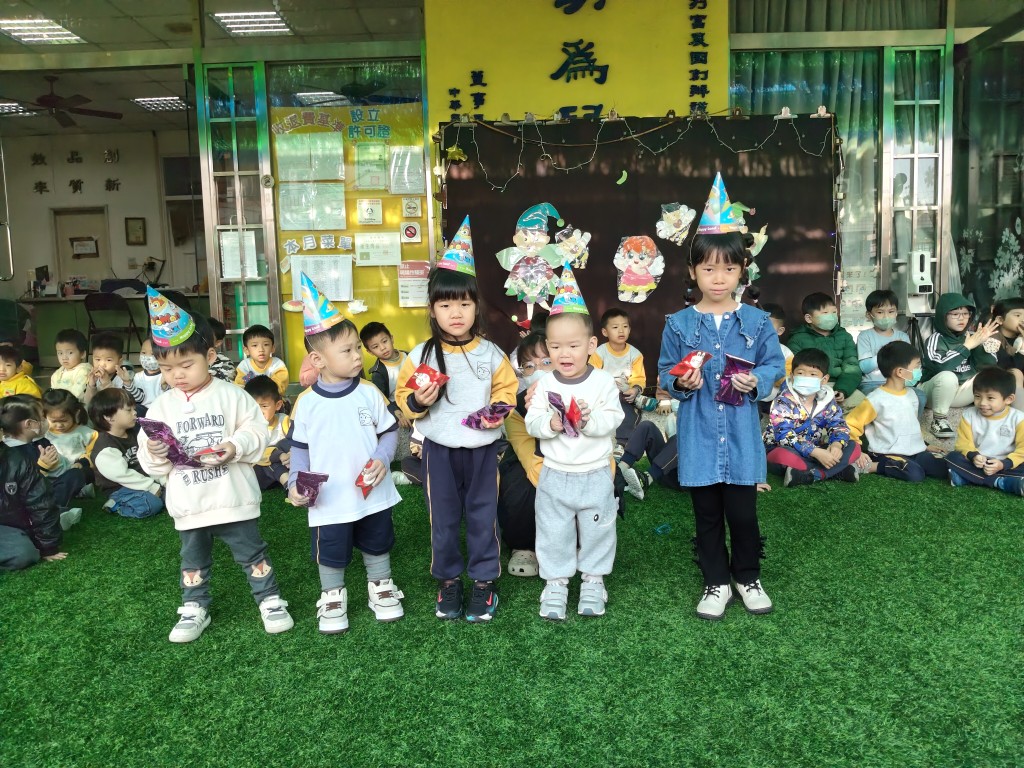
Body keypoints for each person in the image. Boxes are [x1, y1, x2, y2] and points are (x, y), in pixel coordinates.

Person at [657, 172, 785, 620]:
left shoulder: (756, 321)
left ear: (741, 271)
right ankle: (716, 582)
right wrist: (681, 383)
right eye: (708, 269)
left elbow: (774, 365)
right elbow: (665, 372)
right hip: (698, 435)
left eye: (728, 269)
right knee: (707, 514)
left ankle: (747, 576)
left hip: (742, 435)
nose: (718, 278)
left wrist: (757, 381)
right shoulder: (677, 324)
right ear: (693, 270)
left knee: (743, 514)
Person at [137, 288, 293, 643]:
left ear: (209, 355)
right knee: (192, 559)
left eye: (186, 365)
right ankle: (194, 606)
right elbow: (151, 463)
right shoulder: (160, 407)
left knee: (252, 552)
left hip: (232, 496)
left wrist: (234, 446)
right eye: (167, 368)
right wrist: (156, 451)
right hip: (190, 502)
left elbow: (257, 432)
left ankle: (269, 600)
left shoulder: (232, 395)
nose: (177, 375)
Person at [395, 218, 517, 622]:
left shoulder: (491, 353)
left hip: (483, 452)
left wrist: (496, 412)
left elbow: (507, 392)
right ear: (432, 310)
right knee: (444, 520)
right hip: (439, 451)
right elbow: (404, 400)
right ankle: (448, 581)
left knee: (484, 517)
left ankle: (483, 582)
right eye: (445, 305)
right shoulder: (420, 355)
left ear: (475, 305)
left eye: (464, 303)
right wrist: (418, 400)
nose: (456, 312)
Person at [287, 274, 405, 634]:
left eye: (357, 348)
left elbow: (389, 431)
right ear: (318, 359)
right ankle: (332, 595)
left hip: (372, 490)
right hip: (329, 497)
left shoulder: (369, 392)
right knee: (331, 546)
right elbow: (300, 449)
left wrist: (383, 458)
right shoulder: (306, 403)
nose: (358, 355)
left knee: (377, 538)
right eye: (347, 350)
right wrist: (295, 482)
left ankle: (381, 586)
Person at [526, 267, 624, 620]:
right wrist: (551, 424)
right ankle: (555, 582)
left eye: (573, 345)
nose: (564, 353)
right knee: (553, 531)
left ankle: (594, 580)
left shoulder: (602, 382)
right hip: (555, 473)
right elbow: (532, 422)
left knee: (598, 530)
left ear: (591, 345)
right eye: (555, 346)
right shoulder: (544, 383)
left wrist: (587, 421)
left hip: (595, 472)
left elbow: (614, 418)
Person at [846, 340, 947, 482]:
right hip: (887, 453)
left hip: (915, 452)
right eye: (916, 366)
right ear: (900, 372)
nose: (919, 370)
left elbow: (907, 427)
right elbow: (850, 425)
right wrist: (856, 451)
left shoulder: (912, 394)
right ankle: (871, 466)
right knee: (914, 474)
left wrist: (925, 445)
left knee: (942, 467)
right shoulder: (876, 399)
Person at [764, 348, 862, 486]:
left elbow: (838, 425)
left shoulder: (827, 400)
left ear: (824, 379)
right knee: (783, 455)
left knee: (854, 446)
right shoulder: (783, 400)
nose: (806, 377)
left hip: (816, 450)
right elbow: (783, 435)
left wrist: (836, 445)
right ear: (792, 375)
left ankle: (810, 474)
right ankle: (835, 471)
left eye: (812, 374)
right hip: (784, 448)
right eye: (800, 373)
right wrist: (814, 452)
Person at [921, 293, 1000, 438]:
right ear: (943, 316)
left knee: (990, 377)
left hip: (960, 392)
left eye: (965, 313)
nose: (961, 318)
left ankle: (996, 417)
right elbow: (940, 366)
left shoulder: (972, 336)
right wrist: (966, 347)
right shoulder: (936, 339)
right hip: (935, 393)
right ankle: (939, 420)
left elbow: (987, 368)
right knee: (948, 377)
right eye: (955, 314)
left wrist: (983, 346)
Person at [0, 395, 84, 529]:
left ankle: (59, 509)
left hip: (46, 488)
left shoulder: (38, 442)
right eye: (41, 417)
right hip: (26, 504)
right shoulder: (11, 453)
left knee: (75, 474)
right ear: (29, 424)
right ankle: (57, 514)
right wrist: (42, 467)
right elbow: (19, 489)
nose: (45, 421)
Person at [945, 366, 1024, 495]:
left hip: (1006, 463)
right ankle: (1001, 482)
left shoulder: (1019, 418)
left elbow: (1022, 450)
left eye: (990, 398)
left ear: (1008, 399)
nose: (982, 402)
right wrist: (974, 456)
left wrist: (1004, 464)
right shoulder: (969, 415)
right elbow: (963, 443)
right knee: (952, 457)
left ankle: (967, 477)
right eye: (977, 396)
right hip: (979, 463)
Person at [89, 388, 164, 519]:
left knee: (171, 495)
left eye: (134, 409)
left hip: (143, 480)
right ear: (109, 417)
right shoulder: (105, 448)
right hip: (121, 488)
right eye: (129, 410)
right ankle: (116, 504)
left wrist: (160, 480)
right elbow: (122, 475)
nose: (135, 413)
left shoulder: (135, 433)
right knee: (153, 504)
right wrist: (151, 486)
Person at [787, 292, 863, 409]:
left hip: (839, 384)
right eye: (825, 313)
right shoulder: (797, 340)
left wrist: (842, 389)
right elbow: (794, 370)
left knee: (862, 404)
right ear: (809, 318)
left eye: (834, 312)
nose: (831, 316)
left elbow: (852, 366)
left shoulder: (844, 337)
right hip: (810, 386)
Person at [0, 438, 65, 571]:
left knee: (24, 554)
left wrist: (48, 546)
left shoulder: (18, 461)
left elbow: (40, 502)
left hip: (8, 528)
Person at [589, 307, 645, 446]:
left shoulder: (635, 354)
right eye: (615, 327)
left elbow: (639, 378)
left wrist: (635, 389)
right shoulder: (599, 353)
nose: (621, 331)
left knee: (627, 413)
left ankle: (622, 443)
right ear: (605, 332)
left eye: (625, 327)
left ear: (629, 330)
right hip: (604, 394)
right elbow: (591, 375)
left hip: (624, 395)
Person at [243, 375, 291, 491]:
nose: (259, 411)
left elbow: (295, 440)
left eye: (264, 406)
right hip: (261, 472)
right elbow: (255, 454)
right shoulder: (247, 428)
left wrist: (291, 452)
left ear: (277, 405)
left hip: (285, 463)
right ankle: (289, 485)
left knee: (287, 442)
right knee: (269, 456)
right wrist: (279, 455)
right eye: (253, 407)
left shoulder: (283, 421)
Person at [42, 389, 96, 489]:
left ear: (76, 413)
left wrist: (82, 462)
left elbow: (94, 452)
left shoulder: (85, 433)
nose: (59, 425)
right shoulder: (44, 434)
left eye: (64, 420)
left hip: (76, 471)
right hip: (52, 474)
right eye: (53, 421)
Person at [234, 324, 289, 396]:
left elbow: (279, 388)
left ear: (273, 348)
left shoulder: (277, 365)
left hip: (272, 400)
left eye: (266, 345)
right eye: (255, 345)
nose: (261, 349)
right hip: (250, 399)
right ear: (246, 350)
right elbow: (239, 387)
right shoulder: (245, 366)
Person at [988, 297, 1024, 407]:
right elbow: (1009, 368)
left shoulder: (1020, 338)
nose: (1023, 319)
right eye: (1017, 315)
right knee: (1016, 373)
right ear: (1000, 320)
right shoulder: (992, 339)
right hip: (998, 386)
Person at [84, 333, 133, 406]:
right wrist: (91, 385)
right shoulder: (95, 377)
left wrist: (106, 383)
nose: (102, 364)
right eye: (98, 359)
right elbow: (88, 404)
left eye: (108, 360)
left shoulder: (123, 377)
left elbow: (120, 404)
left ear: (119, 362)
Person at [757, 303, 792, 401]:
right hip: (748, 399)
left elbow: (787, 379)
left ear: (780, 331)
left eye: (769, 328)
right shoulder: (746, 347)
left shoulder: (786, 353)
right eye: (759, 326)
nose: (763, 331)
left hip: (775, 400)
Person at [125, 337, 170, 409]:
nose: (147, 357)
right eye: (143, 353)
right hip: (143, 409)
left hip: (161, 409)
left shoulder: (166, 374)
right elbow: (138, 399)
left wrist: (164, 386)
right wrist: (128, 383)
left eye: (152, 354)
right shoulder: (138, 376)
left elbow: (170, 397)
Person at [50, 328, 92, 400]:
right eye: (60, 353)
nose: (64, 357)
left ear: (82, 354)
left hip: (74, 404)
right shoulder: (57, 373)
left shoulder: (84, 371)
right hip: (59, 404)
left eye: (70, 353)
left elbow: (77, 393)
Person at [207, 317, 237, 382]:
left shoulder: (225, 363)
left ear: (217, 343)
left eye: (206, 337)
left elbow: (226, 385)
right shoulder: (188, 359)